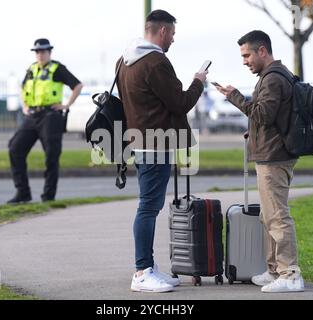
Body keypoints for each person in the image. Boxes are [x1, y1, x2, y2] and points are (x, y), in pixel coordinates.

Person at [116, 9, 207, 293]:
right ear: (163, 32)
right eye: (173, 35)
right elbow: (179, 103)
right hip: (156, 143)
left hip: (138, 141)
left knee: (149, 206)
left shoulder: (123, 60)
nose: (173, 40)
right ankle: (142, 272)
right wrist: (199, 82)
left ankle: (149, 268)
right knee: (148, 207)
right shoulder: (156, 62)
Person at [214, 30, 304, 293]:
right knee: (268, 215)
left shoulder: (273, 78)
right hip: (273, 153)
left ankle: (290, 273)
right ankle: (275, 270)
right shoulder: (276, 75)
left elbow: (263, 114)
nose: (245, 61)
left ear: (262, 50)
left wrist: (235, 97)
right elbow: (272, 117)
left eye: (247, 55)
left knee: (277, 216)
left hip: (274, 157)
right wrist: (252, 130)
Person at [7, 38, 83, 204]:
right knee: (15, 148)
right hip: (32, 116)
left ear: (49, 52)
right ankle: (23, 193)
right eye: (37, 52)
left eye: (43, 51)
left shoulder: (57, 68)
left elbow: (77, 85)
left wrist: (66, 104)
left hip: (50, 116)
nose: (40, 55)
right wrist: (25, 105)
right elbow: (23, 88)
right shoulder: (32, 69)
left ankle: (48, 196)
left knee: (51, 156)